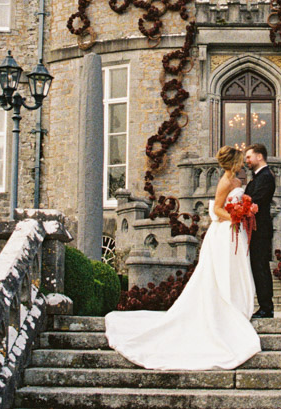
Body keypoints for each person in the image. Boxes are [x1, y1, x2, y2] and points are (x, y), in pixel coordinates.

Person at [104, 146, 261, 370]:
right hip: (225, 232)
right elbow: (216, 210)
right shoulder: (225, 182)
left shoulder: (236, 181)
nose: (242, 164)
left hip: (236, 232)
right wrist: (235, 217)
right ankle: (224, 307)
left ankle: (235, 305)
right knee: (221, 271)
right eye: (239, 160)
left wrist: (244, 212)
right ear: (232, 163)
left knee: (236, 269)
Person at [244, 143, 276, 318]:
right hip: (255, 229)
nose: (246, 161)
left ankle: (266, 307)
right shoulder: (258, 176)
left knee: (261, 266)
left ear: (259, 157)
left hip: (261, 230)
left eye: (249, 157)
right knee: (257, 266)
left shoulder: (265, 177)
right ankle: (263, 305)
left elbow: (256, 200)